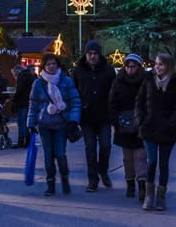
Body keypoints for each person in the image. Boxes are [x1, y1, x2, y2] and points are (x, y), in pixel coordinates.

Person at [135, 53, 176, 211]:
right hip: (149, 127)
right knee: (151, 161)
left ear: (169, 66)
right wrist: (141, 121)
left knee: (163, 164)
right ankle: (149, 196)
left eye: (161, 64)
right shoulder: (148, 80)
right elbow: (140, 101)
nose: (157, 67)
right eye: (156, 64)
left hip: (166, 130)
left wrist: (171, 123)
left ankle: (161, 196)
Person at [27, 53, 81, 196]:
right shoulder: (38, 83)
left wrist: (74, 120)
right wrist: (31, 122)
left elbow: (75, 101)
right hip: (44, 124)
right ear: (44, 66)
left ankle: (64, 177)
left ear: (58, 65)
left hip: (61, 124)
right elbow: (33, 103)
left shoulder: (66, 81)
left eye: (54, 64)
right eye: (48, 64)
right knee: (48, 156)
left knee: (60, 154)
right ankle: (50, 183)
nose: (51, 66)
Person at [72, 40, 116, 191]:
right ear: (86, 54)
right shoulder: (78, 70)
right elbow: (74, 92)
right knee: (90, 149)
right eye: (90, 53)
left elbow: (114, 92)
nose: (92, 56)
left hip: (104, 116)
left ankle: (103, 170)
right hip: (87, 116)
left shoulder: (108, 70)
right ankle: (92, 179)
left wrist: (113, 112)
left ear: (99, 54)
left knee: (106, 146)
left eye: (95, 53)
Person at [108, 54, 148, 202]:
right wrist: (115, 121)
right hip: (123, 124)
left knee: (141, 156)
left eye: (133, 66)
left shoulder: (146, 81)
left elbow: (150, 101)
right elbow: (112, 102)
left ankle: (142, 184)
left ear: (139, 67)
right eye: (127, 66)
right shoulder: (118, 81)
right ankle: (130, 184)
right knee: (127, 158)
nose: (130, 69)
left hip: (141, 124)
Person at [11, 65, 35, 148]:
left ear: (17, 71)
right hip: (29, 102)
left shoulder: (22, 76)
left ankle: (20, 141)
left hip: (23, 103)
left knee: (21, 122)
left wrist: (14, 100)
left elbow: (19, 91)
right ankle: (28, 141)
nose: (14, 76)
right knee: (27, 122)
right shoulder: (30, 76)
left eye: (14, 74)